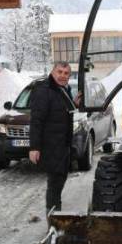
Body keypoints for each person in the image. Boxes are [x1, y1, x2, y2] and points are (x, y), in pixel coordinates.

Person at [29, 61, 80, 214]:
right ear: (52, 72)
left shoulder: (62, 90)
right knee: (55, 183)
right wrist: (34, 147)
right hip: (50, 145)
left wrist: (74, 105)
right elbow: (36, 120)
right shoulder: (44, 90)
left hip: (62, 145)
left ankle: (55, 215)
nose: (62, 76)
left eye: (66, 73)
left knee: (59, 179)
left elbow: (60, 111)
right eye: (59, 72)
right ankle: (53, 220)